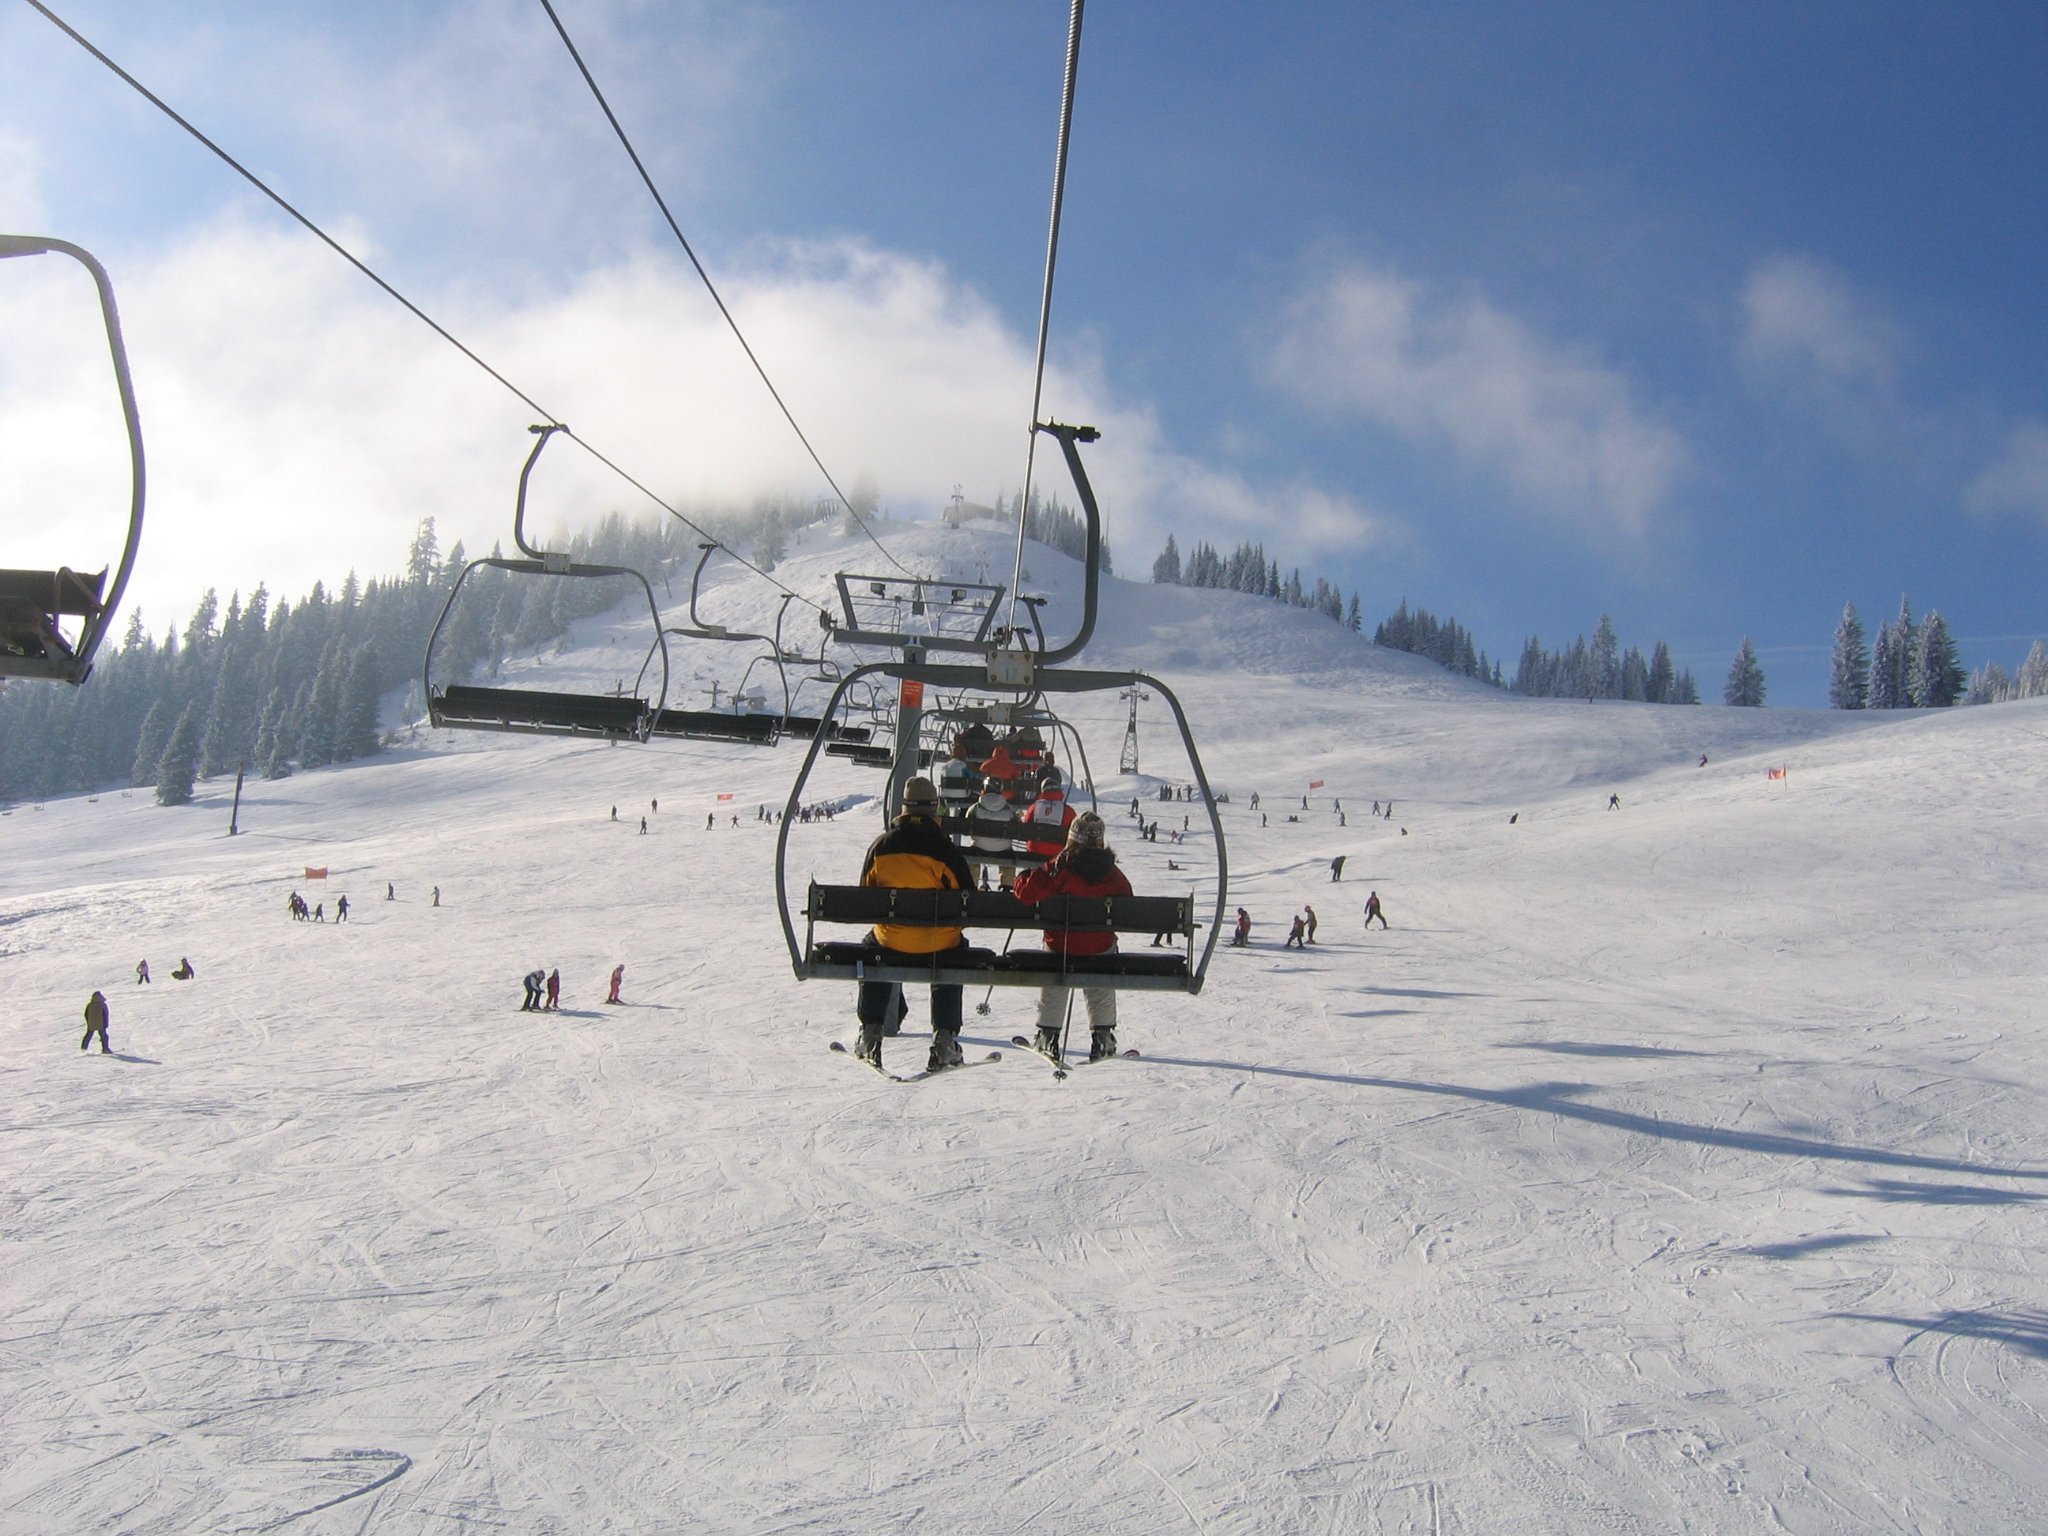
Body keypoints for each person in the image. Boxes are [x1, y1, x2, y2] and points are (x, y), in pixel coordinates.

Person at [852, 776, 976, 1074]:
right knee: (954, 952)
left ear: (904, 808)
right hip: (938, 944)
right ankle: (945, 1037)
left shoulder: (881, 847)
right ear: (934, 809)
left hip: (891, 942)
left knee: (873, 949)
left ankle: (871, 1030)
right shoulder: (945, 851)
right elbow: (968, 901)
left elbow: (865, 896)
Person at [1014, 811, 1132, 1062]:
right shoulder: (1112, 874)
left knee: (1055, 973)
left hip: (1060, 946)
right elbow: (1127, 906)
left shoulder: (1059, 869)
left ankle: (1048, 1035)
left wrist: (1024, 877)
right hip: (1099, 948)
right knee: (1101, 972)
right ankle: (1103, 1036)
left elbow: (1027, 892)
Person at [969, 774, 1017, 891]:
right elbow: (1017, 828)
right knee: (1009, 857)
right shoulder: (1009, 810)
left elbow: (967, 827)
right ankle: (1006, 886)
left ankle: (971, 884)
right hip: (1003, 849)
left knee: (971, 858)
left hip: (979, 848)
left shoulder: (976, 808)